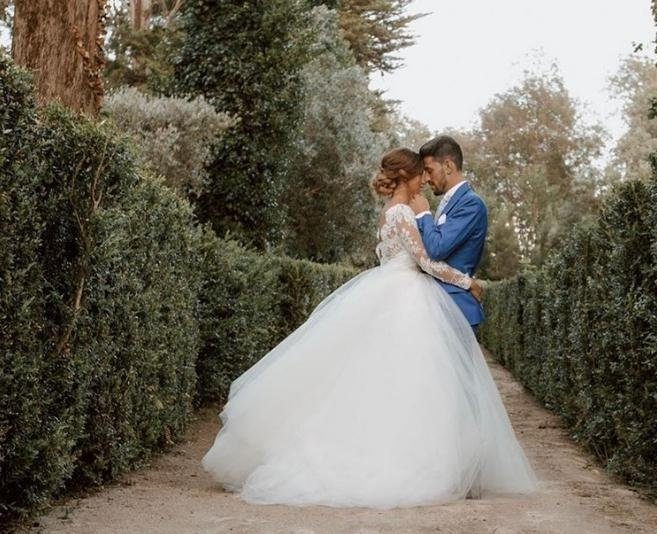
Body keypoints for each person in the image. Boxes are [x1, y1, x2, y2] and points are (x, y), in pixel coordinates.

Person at [202, 148, 538, 509]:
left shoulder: (388, 214)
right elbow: (425, 260)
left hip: (389, 292)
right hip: (408, 298)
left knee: (378, 381)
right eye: (419, 175)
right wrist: (466, 281)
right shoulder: (405, 213)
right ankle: (408, 457)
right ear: (407, 179)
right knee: (409, 385)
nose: (424, 180)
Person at [410, 135, 488, 333]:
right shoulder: (450, 202)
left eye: (429, 170)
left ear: (448, 166)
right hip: (440, 305)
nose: (426, 179)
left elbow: (437, 248)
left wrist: (423, 214)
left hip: (457, 308)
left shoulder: (471, 203)